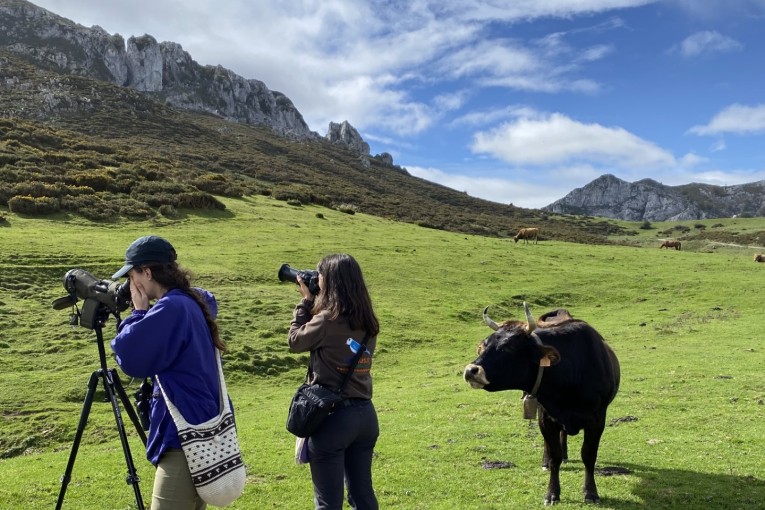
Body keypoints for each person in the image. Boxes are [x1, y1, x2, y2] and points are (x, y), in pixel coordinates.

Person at [110, 235, 228, 510]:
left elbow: (131, 355)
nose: (131, 284)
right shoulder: (191, 301)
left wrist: (139, 313)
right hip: (202, 432)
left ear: (147, 272)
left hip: (182, 440)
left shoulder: (172, 308)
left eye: (132, 275)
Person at [288, 253, 380, 510]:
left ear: (329, 282)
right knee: (363, 497)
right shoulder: (368, 321)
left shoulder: (327, 319)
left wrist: (305, 303)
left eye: (320, 276)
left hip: (333, 419)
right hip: (365, 415)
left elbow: (295, 341)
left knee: (328, 503)